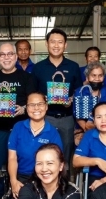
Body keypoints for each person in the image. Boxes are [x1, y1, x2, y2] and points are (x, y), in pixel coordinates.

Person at [7, 92, 63, 199]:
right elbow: (12, 157)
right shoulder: (18, 128)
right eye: (32, 105)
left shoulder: (52, 132)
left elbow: (57, 162)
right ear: (26, 108)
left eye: (40, 104)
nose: (36, 108)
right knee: (18, 194)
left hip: (45, 176)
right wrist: (13, 181)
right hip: (23, 174)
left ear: (46, 107)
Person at [0, 42, 35, 198]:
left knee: (24, 164)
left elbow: (33, 101)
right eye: (2, 55)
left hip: (23, 129)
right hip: (0, 128)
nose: (6, 58)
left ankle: (24, 196)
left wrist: (24, 109)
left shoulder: (28, 78)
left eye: (10, 54)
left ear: (16, 56)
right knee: (1, 167)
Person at [32, 28, 82, 160]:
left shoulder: (73, 67)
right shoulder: (38, 68)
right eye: (52, 42)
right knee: (44, 155)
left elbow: (79, 92)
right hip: (45, 118)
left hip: (67, 119)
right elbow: (33, 94)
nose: (56, 45)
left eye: (60, 42)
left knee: (65, 156)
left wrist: (71, 99)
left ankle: (64, 181)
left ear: (65, 45)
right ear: (47, 44)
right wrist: (42, 100)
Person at [74, 61, 106, 144]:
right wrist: (86, 128)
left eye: (100, 76)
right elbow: (77, 115)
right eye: (93, 75)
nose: (97, 79)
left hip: (105, 132)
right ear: (87, 77)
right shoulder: (79, 92)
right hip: (82, 132)